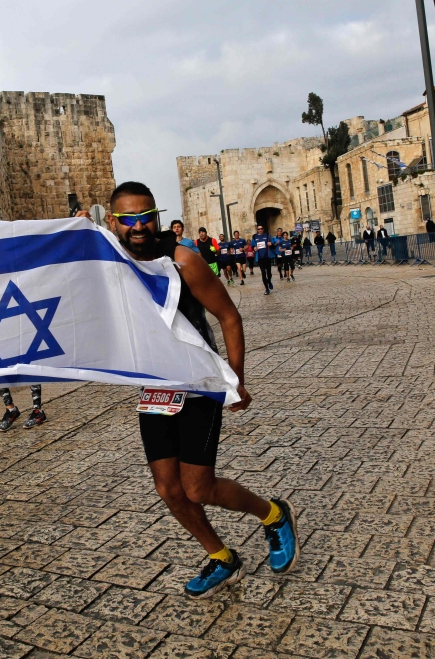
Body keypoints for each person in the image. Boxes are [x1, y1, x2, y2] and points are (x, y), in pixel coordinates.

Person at [82, 181, 299, 599]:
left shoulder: (184, 261)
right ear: (113, 223)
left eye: (147, 216)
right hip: (156, 390)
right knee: (168, 489)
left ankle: (273, 515)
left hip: (199, 385)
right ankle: (222, 558)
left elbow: (229, 317)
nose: (139, 226)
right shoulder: (113, 264)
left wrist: (235, 380)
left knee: (198, 487)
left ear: (157, 218)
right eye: (128, 220)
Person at [252, 226, 273, 295]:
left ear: (263, 229)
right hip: (260, 258)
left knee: (269, 273)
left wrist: (270, 244)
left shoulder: (267, 235)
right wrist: (254, 248)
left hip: (267, 256)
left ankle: (269, 281)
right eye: (258, 229)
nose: (260, 230)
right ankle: (267, 289)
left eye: (261, 229)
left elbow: (272, 244)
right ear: (257, 230)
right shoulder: (254, 237)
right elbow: (252, 246)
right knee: (263, 273)